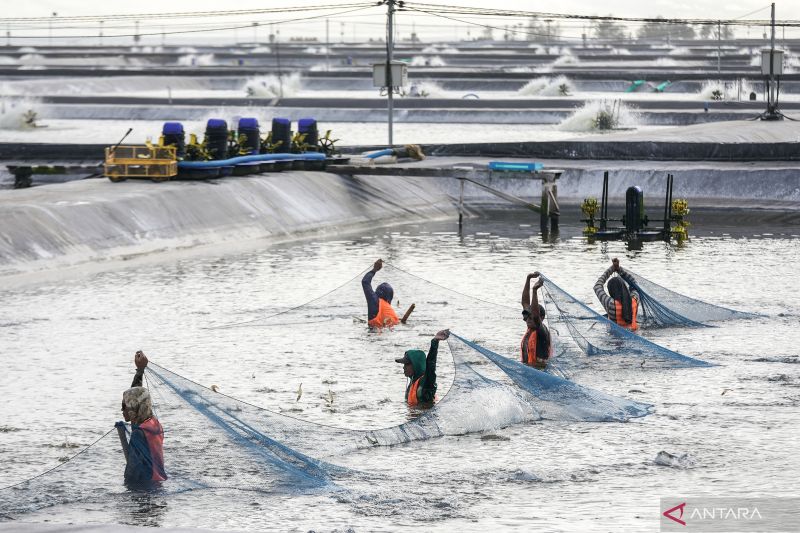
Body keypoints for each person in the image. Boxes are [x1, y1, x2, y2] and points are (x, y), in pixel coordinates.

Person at [121, 351, 167, 487]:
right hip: (158, 483)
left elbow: (133, 471)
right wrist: (140, 370)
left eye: (125, 406)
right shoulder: (153, 423)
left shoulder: (139, 434)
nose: (122, 410)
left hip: (143, 487)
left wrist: (127, 487)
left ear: (134, 408)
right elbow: (138, 395)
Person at [395, 329, 450, 407]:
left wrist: (435, 342)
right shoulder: (412, 382)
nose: (403, 368)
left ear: (415, 365)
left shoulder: (427, 382)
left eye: (407, 364)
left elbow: (431, 364)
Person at [594, 258, 639, 330]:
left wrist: (612, 269)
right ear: (623, 287)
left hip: (615, 335)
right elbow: (635, 284)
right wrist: (618, 269)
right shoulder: (635, 300)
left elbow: (597, 287)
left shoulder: (610, 303)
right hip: (634, 331)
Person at [520, 272, 552, 369]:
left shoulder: (542, 331)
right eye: (527, 316)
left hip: (540, 370)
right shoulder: (531, 326)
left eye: (531, 317)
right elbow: (525, 303)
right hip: (529, 368)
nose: (528, 319)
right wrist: (528, 279)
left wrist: (534, 291)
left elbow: (535, 316)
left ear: (541, 318)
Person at [362, 258, 400, 329]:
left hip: (373, 333)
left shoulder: (374, 300)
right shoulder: (391, 312)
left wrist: (374, 270)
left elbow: (365, 282)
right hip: (388, 334)